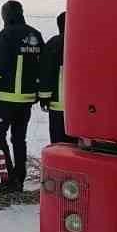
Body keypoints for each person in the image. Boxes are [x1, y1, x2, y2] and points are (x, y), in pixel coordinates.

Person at [0, 0, 44, 192]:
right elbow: (42, 65)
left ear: (5, 15)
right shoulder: (35, 34)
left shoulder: (6, 34)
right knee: (18, 139)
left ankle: (7, 181)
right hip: (26, 101)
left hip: (6, 99)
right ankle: (19, 180)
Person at [37, 12, 77, 146]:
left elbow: (45, 72)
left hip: (58, 105)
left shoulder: (54, 44)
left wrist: (43, 98)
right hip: (81, 107)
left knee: (59, 144)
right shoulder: (85, 41)